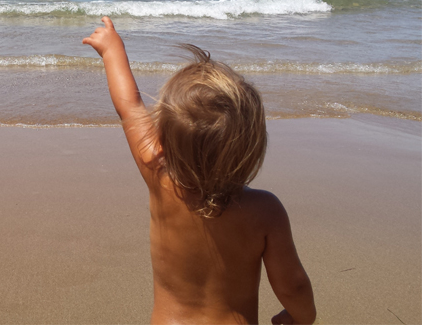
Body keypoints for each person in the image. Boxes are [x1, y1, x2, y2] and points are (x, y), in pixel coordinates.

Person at [83, 17, 316, 325]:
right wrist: (299, 317)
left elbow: (130, 106)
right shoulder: (265, 211)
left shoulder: (158, 175)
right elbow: (293, 285)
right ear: (251, 145)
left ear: (164, 140)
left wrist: (112, 51)